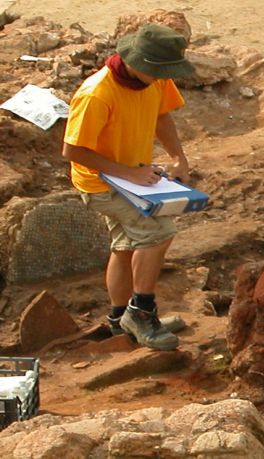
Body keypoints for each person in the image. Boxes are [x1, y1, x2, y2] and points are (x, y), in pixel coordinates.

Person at [62, 24, 195, 350]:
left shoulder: (156, 78)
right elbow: (73, 150)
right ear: (139, 62)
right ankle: (140, 313)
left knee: (124, 247)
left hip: (131, 177)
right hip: (100, 183)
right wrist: (126, 173)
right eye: (162, 71)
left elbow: (162, 115)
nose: (166, 77)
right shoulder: (97, 94)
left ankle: (119, 320)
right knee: (158, 232)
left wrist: (179, 157)